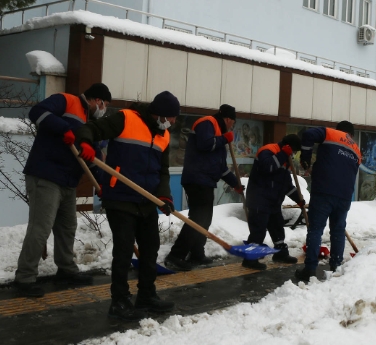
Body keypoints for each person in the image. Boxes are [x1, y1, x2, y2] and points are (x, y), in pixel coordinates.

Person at [75, 91, 179, 321]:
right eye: (170, 117)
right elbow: (91, 129)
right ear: (158, 113)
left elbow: (162, 171)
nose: (172, 122)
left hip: (146, 200)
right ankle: (119, 301)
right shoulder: (126, 118)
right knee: (123, 250)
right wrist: (85, 143)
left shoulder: (164, 136)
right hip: (120, 197)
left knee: (150, 248)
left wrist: (165, 196)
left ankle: (146, 295)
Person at [14, 83, 111, 298]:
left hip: (68, 181)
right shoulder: (67, 101)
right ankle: (25, 277)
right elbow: (36, 112)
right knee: (41, 227)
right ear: (97, 100)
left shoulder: (90, 122)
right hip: (46, 175)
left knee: (68, 226)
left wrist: (102, 184)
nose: (103, 109)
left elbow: (94, 159)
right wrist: (63, 129)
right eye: (104, 105)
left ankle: (66, 269)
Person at [164, 104, 244, 271]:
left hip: (205, 180)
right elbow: (204, 144)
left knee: (204, 219)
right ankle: (175, 256)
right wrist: (224, 139)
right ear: (228, 119)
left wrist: (235, 184)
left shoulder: (219, 133)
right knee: (198, 218)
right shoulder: (207, 123)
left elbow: (220, 167)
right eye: (233, 123)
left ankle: (196, 253)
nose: (232, 127)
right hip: (197, 179)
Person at [294, 121, 361, 282]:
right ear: (351, 134)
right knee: (338, 231)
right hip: (345, 197)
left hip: (324, 191)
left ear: (340, 130)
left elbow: (309, 135)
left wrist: (306, 159)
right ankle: (336, 268)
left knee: (316, 229)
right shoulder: (357, 150)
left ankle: (310, 270)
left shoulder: (331, 133)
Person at [242, 134, 305, 270]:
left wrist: (299, 199)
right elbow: (267, 167)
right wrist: (283, 154)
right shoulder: (268, 151)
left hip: (273, 201)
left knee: (277, 228)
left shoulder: (285, 159)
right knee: (258, 231)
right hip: (259, 199)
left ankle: (281, 254)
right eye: (294, 151)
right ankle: (249, 259)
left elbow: (286, 185)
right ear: (288, 147)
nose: (294, 154)